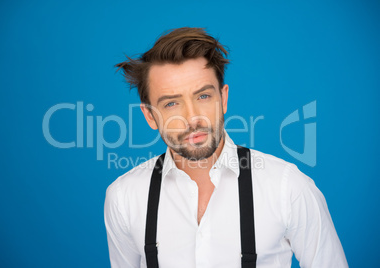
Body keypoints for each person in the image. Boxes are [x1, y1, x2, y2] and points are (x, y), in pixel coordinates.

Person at [104, 27, 348, 268]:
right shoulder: (124, 198)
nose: (192, 118)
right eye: (171, 103)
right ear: (149, 116)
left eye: (203, 97)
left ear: (223, 98)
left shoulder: (289, 188)